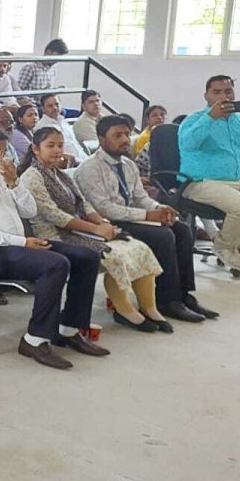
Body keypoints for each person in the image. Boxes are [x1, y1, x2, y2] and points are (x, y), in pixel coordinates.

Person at [0, 126, 108, 369]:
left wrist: (14, 183)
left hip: (19, 246)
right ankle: (35, 340)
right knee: (55, 264)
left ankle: (68, 329)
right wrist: (23, 242)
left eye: (3, 153)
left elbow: (30, 211)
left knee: (87, 257)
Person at [20, 127, 167, 332]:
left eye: (60, 145)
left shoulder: (61, 174)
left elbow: (84, 204)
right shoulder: (31, 177)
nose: (57, 150)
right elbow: (55, 215)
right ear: (35, 149)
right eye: (50, 146)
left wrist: (102, 223)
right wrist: (96, 230)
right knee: (114, 255)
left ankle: (149, 307)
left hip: (78, 229)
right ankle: (125, 310)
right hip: (53, 235)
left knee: (138, 247)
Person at [75, 116, 216, 323]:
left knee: (182, 229)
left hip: (131, 217)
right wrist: (148, 215)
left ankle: (184, 294)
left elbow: (140, 197)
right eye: (117, 136)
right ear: (101, 139)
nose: (125, 140)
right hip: (106, 223)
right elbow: (104, 208)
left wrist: (159, 208)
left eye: (126, 134)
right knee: (163, 235)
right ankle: (167, 300)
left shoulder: (128, 164)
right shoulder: (90, 168)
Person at [178, 74, 240, 275]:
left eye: (228, 91)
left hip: (234, 183)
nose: (224, 96)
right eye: (217, 92)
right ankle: (223, 246)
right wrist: (210, 118)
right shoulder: (194, 120)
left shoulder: (239, 123)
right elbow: (187, 144)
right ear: (206, 96)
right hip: (199, 183)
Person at [38, 93, 88, 165]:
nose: (55, 108)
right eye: (50, 106)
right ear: (43, 109)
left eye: (57, 104)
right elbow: (47, 152)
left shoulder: (63, 122)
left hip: (83, 159)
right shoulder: (42, 127)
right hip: (67, 164)